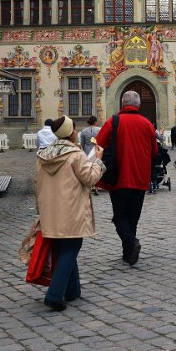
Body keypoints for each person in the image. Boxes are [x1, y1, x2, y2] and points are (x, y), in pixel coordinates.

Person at [34, 115, 105, 311]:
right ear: (69, 133)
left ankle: (73, 290)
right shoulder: (75, 155)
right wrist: (98, 161)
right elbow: (90, 178)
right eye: (74, 129)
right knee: (70, 248)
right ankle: (55, 295)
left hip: (51, 211)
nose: (76, 132)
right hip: (71, 210)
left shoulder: (43, 155)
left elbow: (37, 185)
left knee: (64, 248)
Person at [95, 90, 158, 266]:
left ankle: (131, 243)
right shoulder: (147, 124)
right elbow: (154, 151)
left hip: (119, 177)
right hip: (140, 178)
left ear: (123, 104)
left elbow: (99, 144)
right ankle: (128, 253)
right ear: (138, 105)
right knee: (133, 217)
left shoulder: (113, 122)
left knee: (119, 216)